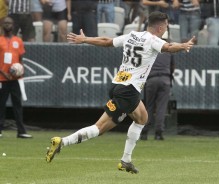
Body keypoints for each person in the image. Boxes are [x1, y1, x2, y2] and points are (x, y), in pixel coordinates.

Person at [46, 11, 195, 174]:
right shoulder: (154, 40)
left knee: (142, 118)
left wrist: (85, 39)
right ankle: (62, 142)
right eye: (166, 25)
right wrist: (182, 46)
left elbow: (107, 41)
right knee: (99, 128)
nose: (167, 27)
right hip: (128, 90)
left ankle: (126, 160)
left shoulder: (131, 35)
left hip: (119, 84)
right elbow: (168, 47)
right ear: (160, 27)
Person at [0, 16, 33, 138]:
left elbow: (20, 59)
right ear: (3, 25)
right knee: (1, 105)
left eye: (10, 23)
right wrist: (4, 73)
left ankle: (21, 131)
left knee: (17, 105)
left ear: (13, 26)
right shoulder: (0, 40)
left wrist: (21, 71)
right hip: (2, 79)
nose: (8, 25)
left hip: (15, 79)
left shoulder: (17, 40)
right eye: (6, 23)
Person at [140, 31, 175, 140]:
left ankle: (144, 132)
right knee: (161, 107)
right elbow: (172, 66)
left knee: (149, 106)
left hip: (151, 79)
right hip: (165, 80)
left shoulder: (149, 47)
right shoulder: (169, 48)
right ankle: (158, 133)